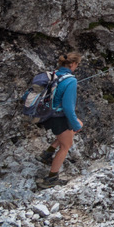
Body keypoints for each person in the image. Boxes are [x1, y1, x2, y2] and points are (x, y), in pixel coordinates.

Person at [38, 52, 83, 188]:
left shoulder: (55, 75)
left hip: (47, 114)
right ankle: (51, 178)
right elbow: (68, 107)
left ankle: (48, 153)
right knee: (65, 146)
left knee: (77, 125)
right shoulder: (71, 80)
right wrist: (75, 125)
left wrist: (76, 123)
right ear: (72, 64)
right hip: (58, 117)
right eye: (77, 64)